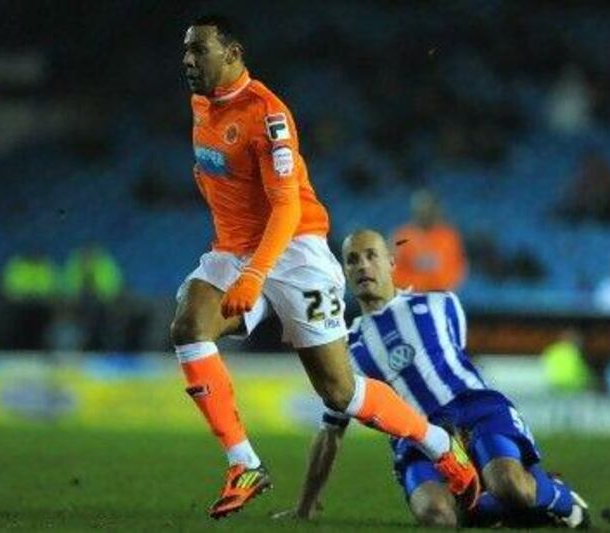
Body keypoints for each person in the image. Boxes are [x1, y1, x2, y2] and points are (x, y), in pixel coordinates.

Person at [172, 15, 478, 520]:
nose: (187, 60)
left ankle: (441, 445)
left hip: (295, 251)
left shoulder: (268, 115)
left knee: (341, 391)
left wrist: (255, 275)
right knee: (189, 324)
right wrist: (235, 254)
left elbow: (287, 207)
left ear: (233, 53)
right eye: (185, 50)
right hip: (235, 249)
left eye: (198, 50)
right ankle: (244, 464)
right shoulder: (201, 104)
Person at [275, 229, 590, 528]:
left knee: (511, 486)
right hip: (416, 439)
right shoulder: (345, 348)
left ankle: (564, 500)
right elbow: (331, 432)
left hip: (476, 411)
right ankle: (506, 506)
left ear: (391, 262)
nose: (363, 266)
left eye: (371, 255)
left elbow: (459, 362)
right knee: (438, 516)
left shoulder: (440, 303)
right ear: (343, 271)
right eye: (353, 259)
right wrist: (306, 506)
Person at [392, 189, 467, 292]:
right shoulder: (402, 236)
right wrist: (415, 286)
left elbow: (457, 268)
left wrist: (440, 286)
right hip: (411, 296)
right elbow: (394, 270)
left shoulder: (448, 236)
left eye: (427, 209)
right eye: (420, 209)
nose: (424, 213)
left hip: (440, 295)